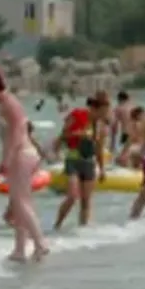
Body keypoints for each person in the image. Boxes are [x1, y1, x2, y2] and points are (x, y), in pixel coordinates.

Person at [0, 66, 49, 261]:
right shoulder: (7, 102)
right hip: (24, 154)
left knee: (19, 202)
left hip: (21, 154)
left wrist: (6, 160)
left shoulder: (9, 103)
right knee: (21, 203)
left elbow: (17, 132)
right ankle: (20, 249)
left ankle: (40, 243)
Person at [53, 94, 109, 230]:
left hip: (89, 162)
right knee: (72, 196)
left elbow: (99, 149)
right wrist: (76, 134)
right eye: (104, 110)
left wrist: (102, 169)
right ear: (95, 109)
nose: (106, 114)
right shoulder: (77, 115)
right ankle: (57, 225)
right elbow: (62, 135)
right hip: (73, 159)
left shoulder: (101, 127)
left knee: (86, 202)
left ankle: (83, 230)